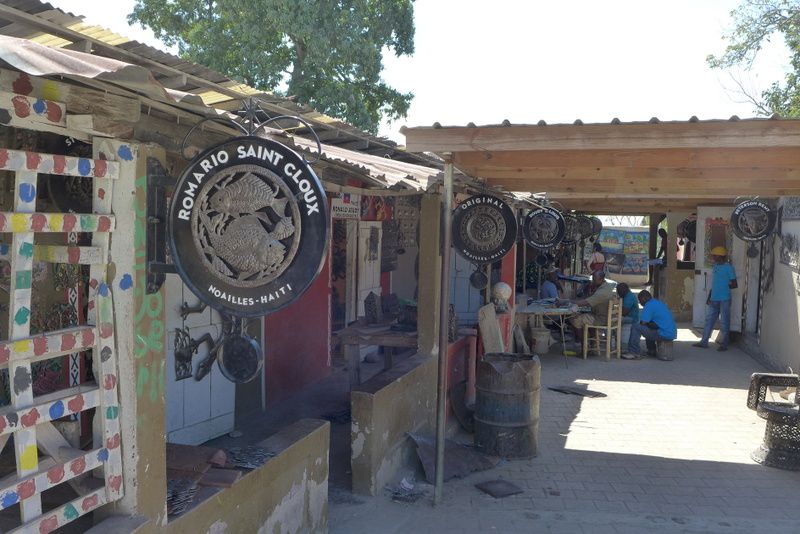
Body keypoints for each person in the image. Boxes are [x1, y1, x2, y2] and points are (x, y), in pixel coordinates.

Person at [693, 246, 737, 351]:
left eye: (714, 255)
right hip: (714, 298)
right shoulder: (716, 266)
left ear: (720, 256)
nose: (713, 257)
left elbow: (734, 284)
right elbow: (714, 283)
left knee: (724, 322)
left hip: (725, 298)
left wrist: (725, 287)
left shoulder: (728, 267)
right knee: (709, 321)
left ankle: (724, 345)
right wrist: (710, 296)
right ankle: (704, 342)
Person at [560, 270, 614, 343]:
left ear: (601, 279)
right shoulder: (605, 286)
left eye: (594, 279)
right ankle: (592, 342)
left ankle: (585, 345)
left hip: (601, 318)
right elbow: (588, 298)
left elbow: (585, 302)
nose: (592, 281)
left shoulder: (602, 292)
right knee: (582, 316)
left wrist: (566, 301)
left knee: (575, 319)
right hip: (601, 315)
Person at [622, 290, 677, 360]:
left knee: (636, 327)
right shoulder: (657, 302)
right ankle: (652, 351)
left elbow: (642, 323)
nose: (640, 303)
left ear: (644, 298)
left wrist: (646, 323)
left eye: (640, 300)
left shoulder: (649, 305)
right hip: (670, 332)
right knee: (649, 326)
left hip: (664, 333)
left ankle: (634, 352)